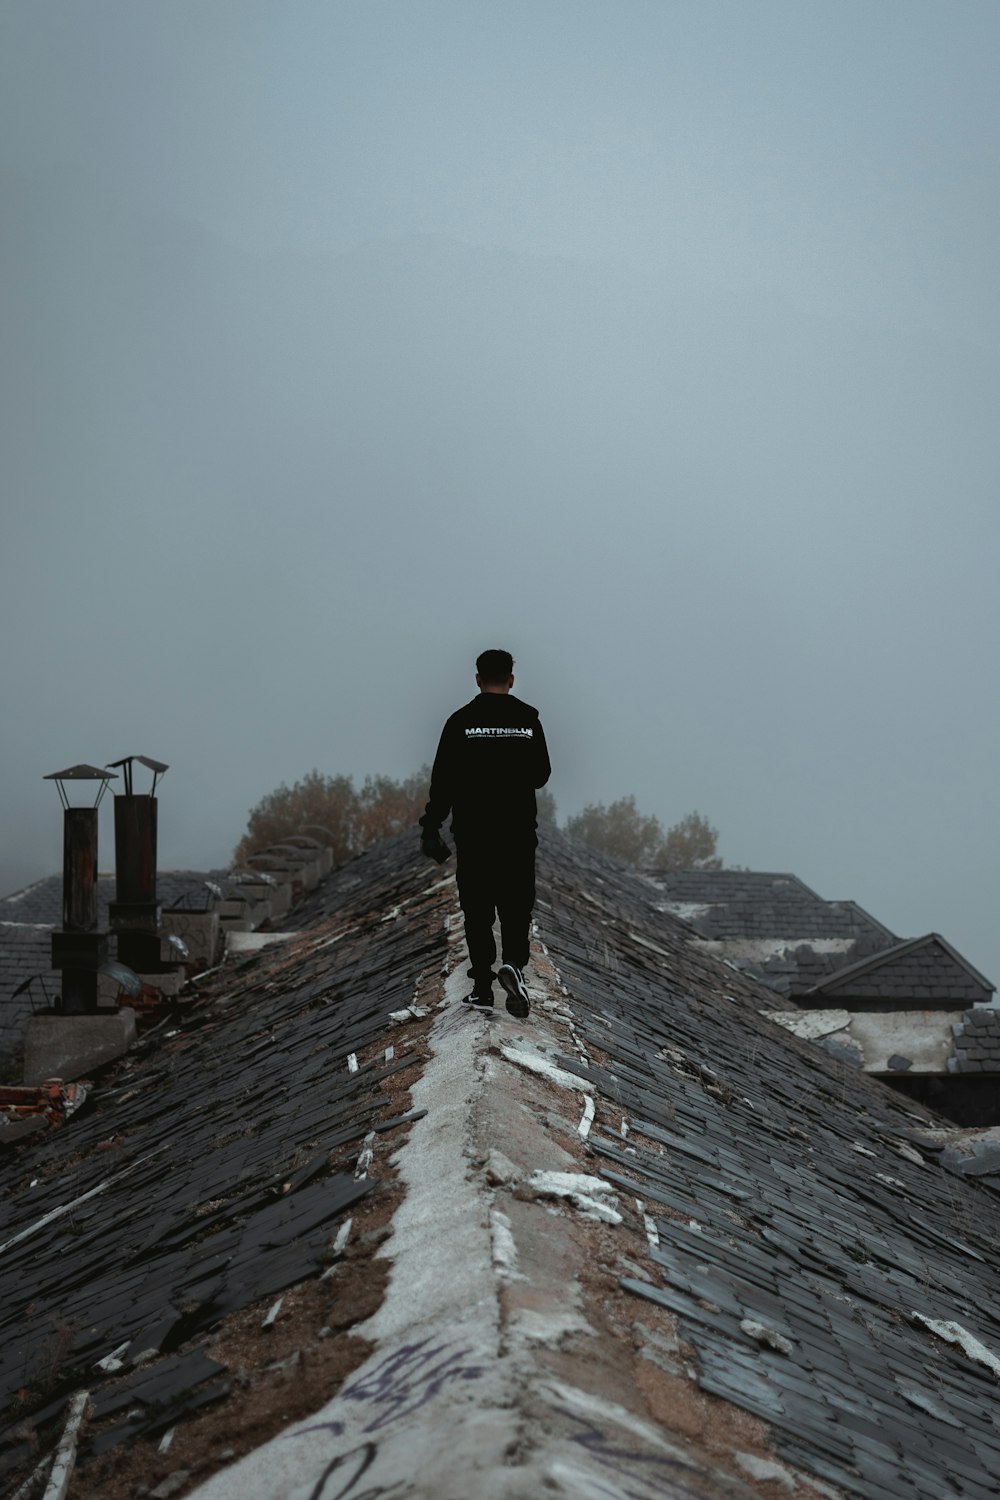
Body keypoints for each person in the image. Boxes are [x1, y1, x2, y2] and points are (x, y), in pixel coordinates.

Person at [420, 648, 551, 1018]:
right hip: (517, 833)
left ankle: (481, 987)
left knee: (477, 910)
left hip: (475, 834)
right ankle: (513, 967)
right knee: (515, 907)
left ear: (478, 679)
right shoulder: (528, 720)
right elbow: (541, 774)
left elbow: (442, 781)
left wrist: (431, 828)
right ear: (511, 680)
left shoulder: (460, 722)